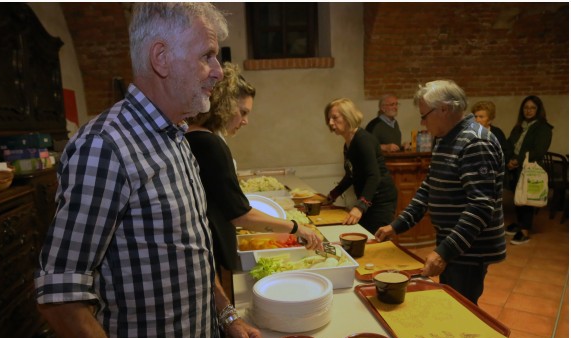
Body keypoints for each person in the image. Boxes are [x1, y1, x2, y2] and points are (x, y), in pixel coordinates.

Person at [34, 4, 262, 338]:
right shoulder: (105, 147)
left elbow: (190, 247)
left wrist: (226, 314)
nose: (218, 70)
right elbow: (59, 294)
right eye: (207, 56)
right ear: (161, 57)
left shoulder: (176, 134)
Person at [374, 80, 506, 305]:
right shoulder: (445, 138)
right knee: (450, 303)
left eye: (424, 115)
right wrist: (396, 226)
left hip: (470, 249)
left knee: (461, 311)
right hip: (455, 243)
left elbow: (481, 207)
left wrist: (444, 251)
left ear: (444, 109)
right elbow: (428, 188)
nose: (422, 122)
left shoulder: (475, 142)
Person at [186, 62, 323, 275]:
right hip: (214, 254)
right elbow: (240, 215)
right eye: (242, 112)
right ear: (223, 105)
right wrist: (295, 227)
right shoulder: (209, 143)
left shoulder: (193, 134)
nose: (245, 121)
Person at [324, 98, 398, 234]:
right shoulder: (348, 143)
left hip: (381, 201)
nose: (330, 123)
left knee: (374, 240)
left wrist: (360, 206)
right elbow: (352, 174)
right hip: (369, 199)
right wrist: (333, 195)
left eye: (334, 118)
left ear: (348, 116)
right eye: (329, 119)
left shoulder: (363, 140)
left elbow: (374, 175)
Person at [503, 95, 553, 245]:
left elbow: (539, 151)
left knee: (527, 199)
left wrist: (517, 161)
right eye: (526, 107)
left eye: (532, 108)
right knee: (518, 198)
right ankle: (520, 224)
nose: (529, 110)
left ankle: (524, 232)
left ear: (538, 110)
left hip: (529, 169)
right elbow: (508, 144)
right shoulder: (519, 126)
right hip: (515, 168)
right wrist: (509, 160)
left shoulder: (543, 128)